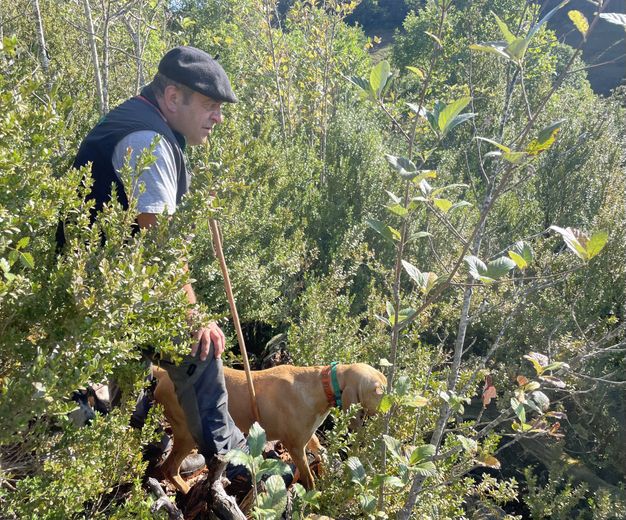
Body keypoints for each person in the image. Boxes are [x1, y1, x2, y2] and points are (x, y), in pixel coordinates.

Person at [64, 46, 248, 484]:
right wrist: (195, 317)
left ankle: (139, 450)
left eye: (219, 108)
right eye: (209, 105)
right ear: (171, 97)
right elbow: (158, 244)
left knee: (140, 357)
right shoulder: (147, 140)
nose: (217, 118)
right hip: (101, 292)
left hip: (96, 285)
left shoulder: (144, 120)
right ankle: (238, 465)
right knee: (200, 350)